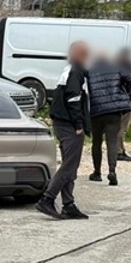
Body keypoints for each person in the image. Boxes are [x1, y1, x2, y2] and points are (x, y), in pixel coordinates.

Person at [36, 41, 90, 221]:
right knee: (69, 166)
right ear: (76, 54)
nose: (87, 56)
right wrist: (78, 125)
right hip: (69, 124)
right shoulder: (75, 72)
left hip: (61, 121)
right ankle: (48, 198)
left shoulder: (70, 70)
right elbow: (73, 99)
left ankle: (69, 204)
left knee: (70, 164)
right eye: (84, 53)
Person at [87, 51, 131, 186]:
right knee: (112, 141)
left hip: (96, 110)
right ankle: (112, 171)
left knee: (96, 142)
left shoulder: (89, 71)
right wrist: (126, 97)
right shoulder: (116, 67)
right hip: (114, 110)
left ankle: (97, 172)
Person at [116, 48, 131, 162]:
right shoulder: (124, 67)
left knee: (120, 128)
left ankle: (120, 150)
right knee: (122, 128)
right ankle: (119, 151)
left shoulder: (116, 67)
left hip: (120, 101)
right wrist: (129, 97)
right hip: (125, 102)